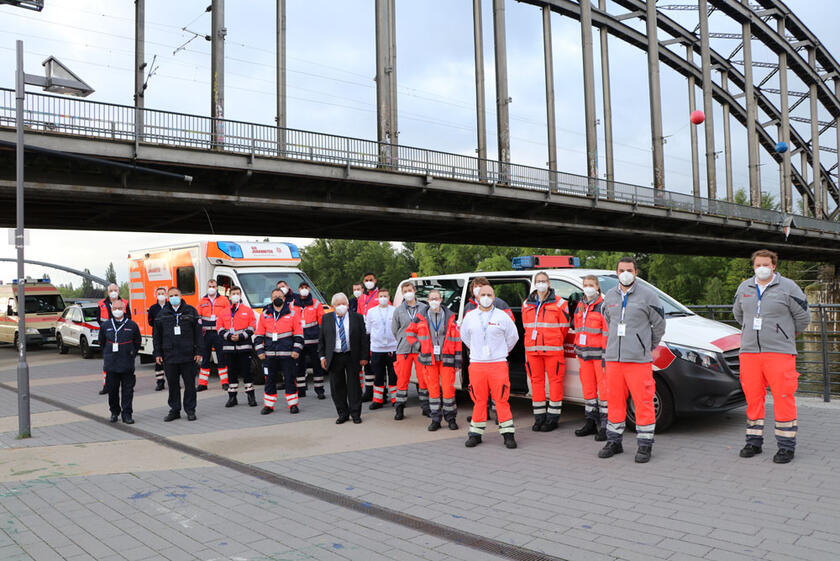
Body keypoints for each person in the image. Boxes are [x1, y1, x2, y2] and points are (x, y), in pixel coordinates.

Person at [732, 249, 810, 464]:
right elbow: (739, 314)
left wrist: (784, 335)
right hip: (749, 352)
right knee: (753, 398)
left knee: (783, 398)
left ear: (774, 265)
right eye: (758, 265)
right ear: (753, 266)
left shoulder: (789, 288)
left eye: (766, 264)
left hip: (780, 353)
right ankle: (753, 442)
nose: (762, 268)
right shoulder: (744, 287)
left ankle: (786, 446)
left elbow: (803, 317)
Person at [599, 257, 666, 463]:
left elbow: (659, 326)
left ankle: (645, 445)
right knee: (614, 401)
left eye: (629, 270)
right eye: (621, 270)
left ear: (636, 272)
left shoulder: (648, 296)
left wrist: (645, 346)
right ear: (616, 272)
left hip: (638, 361)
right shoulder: (609, 296)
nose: (625, 273)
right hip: (614, 360)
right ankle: (614, 441)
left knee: (643, 402)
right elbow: (609, 321)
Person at [460, 283, 519, 449]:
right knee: (479, 400)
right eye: (483, 294)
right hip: (477, 365)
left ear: (494, 297)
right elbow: (465, 337)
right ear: (477, 297)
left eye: (489, 295)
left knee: (501, 399)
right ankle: (475, 434)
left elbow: (513, 338)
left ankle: (508, 435)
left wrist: (500, 351)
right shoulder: (470, 317)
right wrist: (478, 351)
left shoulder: (502, 316)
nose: (486, 298)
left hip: (498, 364)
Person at [521, 272, 571, 432]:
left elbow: (564, 327)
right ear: (534, 284)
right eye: (538, 281)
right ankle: (539, 417)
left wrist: (553, 340)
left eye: (544, 281)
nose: (541, 283)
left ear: (549, 283)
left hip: (553, 350)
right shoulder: (526, 304)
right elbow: (525, 326)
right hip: (532, 351)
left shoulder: (560, 303)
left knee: (555, 383)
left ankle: (553, 419)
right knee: (536, 383)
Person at [407, 289, 461, 431]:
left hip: (446, 359)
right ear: (428, 300)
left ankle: (451, 419)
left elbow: (456, 340)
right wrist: (419, 346)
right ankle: (435, 419)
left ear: (441, 299)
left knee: (449, 390)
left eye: (436, 298)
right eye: (431, 298)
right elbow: (410, 334)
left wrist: (457, 361)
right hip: (428, 359)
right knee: (433, 390)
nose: (434, 301)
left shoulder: (449, 316)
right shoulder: (420, 316)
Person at [318, 292, 369, 424]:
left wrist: (364, 356)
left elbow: (364, 338)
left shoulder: (357, 317)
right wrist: (322, 356)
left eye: (343, 304)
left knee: (354, 386)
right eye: (338, 304)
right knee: (337, 386)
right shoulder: (326, 318)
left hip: (352, 355)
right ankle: (342, 413)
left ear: (347, 304)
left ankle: (356, 413)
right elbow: (322, 340)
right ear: (333, 306)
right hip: (334, 356)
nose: (341, 306)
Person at [154, 287, 203, 422]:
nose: (174, 297)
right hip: (169, 356)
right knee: (173, 385)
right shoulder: (162, 314)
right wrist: (157, 353)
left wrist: (199, 351)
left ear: (181, 296)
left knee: (189, 385)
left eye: (176, 295)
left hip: (188, 355)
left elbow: (198, 334)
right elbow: (156, 335)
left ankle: (190, 410)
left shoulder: (191, 311)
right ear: (168, 297)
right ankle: (175, 410)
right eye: (171, 295)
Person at [255, 287, 303, 415]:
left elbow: (299, 334)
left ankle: (293, 404)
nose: (277, 298)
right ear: (271, 299)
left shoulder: (292, 313)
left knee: (290, 379)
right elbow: (259, 335)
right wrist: (260, 351)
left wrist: (296, 349)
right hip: (269, 355)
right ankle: (269, 405)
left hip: (288, 354)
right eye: (275, 297)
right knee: (269, 380)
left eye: (280, 296)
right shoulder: (265, 314)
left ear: (284, 298)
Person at [573, 275, 609, 441]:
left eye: (591, 285)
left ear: (597, 287)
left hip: (599, 356)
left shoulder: (603, 305)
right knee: (588, 391)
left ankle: (606, 425)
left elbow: (606, 333)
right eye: (585, 285)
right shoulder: (580, 305)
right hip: (584, 355)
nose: (588, 288)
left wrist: (605, 355)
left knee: (604, 392)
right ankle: (591, 422)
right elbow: (577, 327)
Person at [98, 299, 142, 424]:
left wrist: (131, 353)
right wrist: (108, 354)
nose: (117, 311)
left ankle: (127, 414)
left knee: (128, 391)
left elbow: (137, 342)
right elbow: (101, 342)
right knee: (112, 390)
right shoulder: (105, 326)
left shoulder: (132, 325)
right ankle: (114, 412)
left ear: (124, 309)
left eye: (120, 308)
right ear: (111, 310)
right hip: (111, 364)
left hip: (127, 363)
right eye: (115, 309)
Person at [391, 283, 430, 420]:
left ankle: (426, 407)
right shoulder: (398, 310)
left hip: (420, 349)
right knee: (402, 379)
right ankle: (400, 408)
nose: (408, 293)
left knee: (423, 379)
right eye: (405, 291)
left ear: (414, 291)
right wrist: (403, 340)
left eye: (410, 290)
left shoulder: (424, 308)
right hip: (404, 349)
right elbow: (395, 330)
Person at [218, 286, 257, 408]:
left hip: (244, 346)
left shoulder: (247, 310)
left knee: (247, 372)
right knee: (231, 373)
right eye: (233, 293)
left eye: (237, 293)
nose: (235, 295)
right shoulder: (223, 312)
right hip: (229, 348)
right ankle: (232, 397)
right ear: (229, 296)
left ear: (240, 295)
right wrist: (229, 336)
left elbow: (252, 326)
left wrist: (241, 336)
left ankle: (251, 396)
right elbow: (219, 327)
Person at [365, 288, 398, 409]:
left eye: (385, 296)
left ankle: (396, 399)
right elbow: (368, 329)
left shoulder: (395, 311)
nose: (383, 298)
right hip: (377, 349)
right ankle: (378, 400)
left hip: (392, 348)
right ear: (377, 298)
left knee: (394, 375)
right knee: (378, 375)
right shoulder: (371, 312)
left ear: (389, 298)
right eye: (381, 296)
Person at [196, 279, 231, 392]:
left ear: (217, 287)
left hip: (218, 333)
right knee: (205, 358)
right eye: (210, 286)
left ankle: (225, 382)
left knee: (222, 357)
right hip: (206, 334)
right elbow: (198, 317)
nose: (212, 288)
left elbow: (228, 315)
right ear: (207, 287)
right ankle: (202, 384)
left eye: (214, 286)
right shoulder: (202, 301)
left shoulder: (224, 300)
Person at [97, 283, 132, 395]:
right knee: (107, 365)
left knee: (124, 361)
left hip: (122, 337)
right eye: (111, 290)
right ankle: (106, 386)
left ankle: (126, 384)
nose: (113, 292)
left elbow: (129, 319)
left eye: (115, 290)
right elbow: (99, 319)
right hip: (109, 338)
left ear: (118, 291)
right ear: (108, 292)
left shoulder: (125, 303)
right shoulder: (101, 304)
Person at [295, 282, 326, 399]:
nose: (304, 290)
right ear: (298, 290)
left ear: (309, 289)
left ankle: (319, 390)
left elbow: (321, 321)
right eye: (301, 288)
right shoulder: (293, 304)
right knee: (299, 366)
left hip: (313, 340)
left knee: (317, 365)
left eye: (306, 288)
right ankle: (301, 390)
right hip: (299, 340)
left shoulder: (316, 303)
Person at [357, 272, 381, 402]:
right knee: (367, 364)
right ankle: (369, 391)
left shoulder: (380, 295)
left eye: (370, 279)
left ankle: (381, 392)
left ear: (375, 280)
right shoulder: (362, 297)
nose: (368, 282)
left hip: (377, 333)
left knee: (377, 365)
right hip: (365, 333)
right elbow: (360, 315)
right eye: (366, 280)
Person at [147, 287, 168, 391]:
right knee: (158, 359)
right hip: (157, 336)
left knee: (171, 360)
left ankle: (174, 382)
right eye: (159, 293)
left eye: (162, 293)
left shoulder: (170, 306)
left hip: (169, 336)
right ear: (156, 294)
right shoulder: (153, 308)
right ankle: (160, 382)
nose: (161, 295)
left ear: (166, 294)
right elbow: (150, 322)